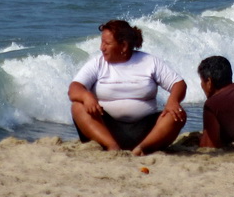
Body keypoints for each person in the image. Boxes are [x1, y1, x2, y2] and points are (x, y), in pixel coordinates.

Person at [68, 20, 187, 155]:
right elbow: (74, 88)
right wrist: (87, 96)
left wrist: (173, 101)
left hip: (146, 130)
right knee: (78, 106)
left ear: (124, 46)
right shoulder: (97, 63)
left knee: (178, 114)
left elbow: (178, 83)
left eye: (107, 43)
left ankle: (142, 149)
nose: (102, 48)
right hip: (106, 128)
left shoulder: (149, 62)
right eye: (102, 42)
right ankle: (112, 146)